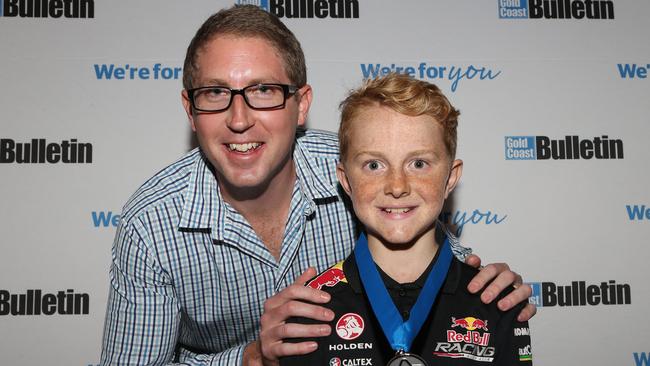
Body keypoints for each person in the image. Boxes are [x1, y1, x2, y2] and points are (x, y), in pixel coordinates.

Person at [100, 5, 534, 366]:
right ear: (190, 110)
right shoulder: (151, 225)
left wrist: (487, 284)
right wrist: (252, 358)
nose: (238, 119)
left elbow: (423, 231)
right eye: (215, 93)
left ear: (302, 103)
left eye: (264, 90)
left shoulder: (362, 167)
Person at [281, 73, 532, 365]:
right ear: (345, 180)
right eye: (374, 165)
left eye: (419, 163)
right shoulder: (308, 310)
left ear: (451, 177)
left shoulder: (498, 302)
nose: (397, 186)